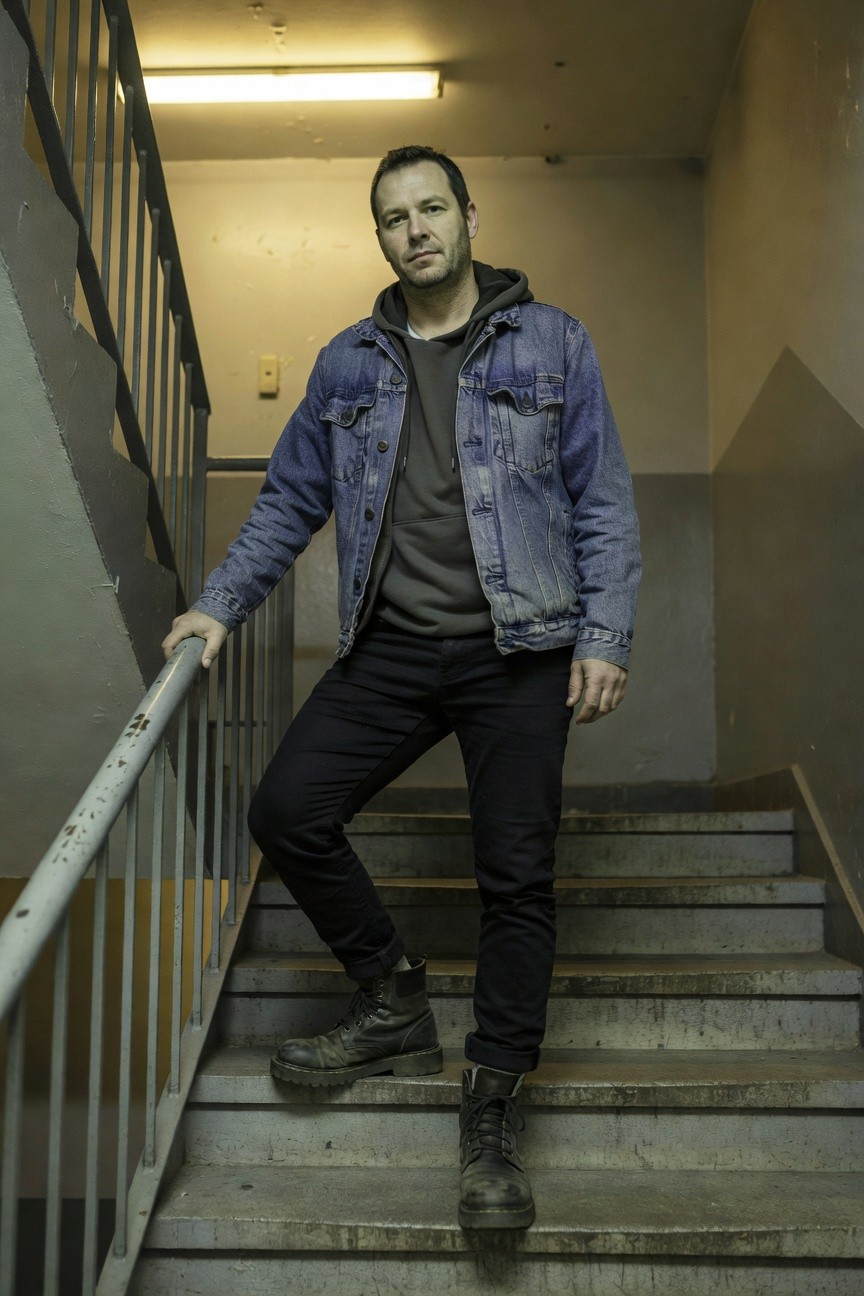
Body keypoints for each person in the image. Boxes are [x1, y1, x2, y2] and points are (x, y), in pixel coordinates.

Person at [162, 144, 641, 1231]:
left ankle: (491, 1112)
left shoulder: (553, 341)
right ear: (379, 237)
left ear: (471, 215)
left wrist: (603, 635)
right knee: (287, 808)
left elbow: (601, 498)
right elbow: (289, 501)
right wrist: (218, 606)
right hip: (392, 647)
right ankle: (391, 994)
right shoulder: (346, 365)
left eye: (433, 208)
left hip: (521, 652)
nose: (416, 228)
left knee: (514, 878)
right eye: (394, 217)